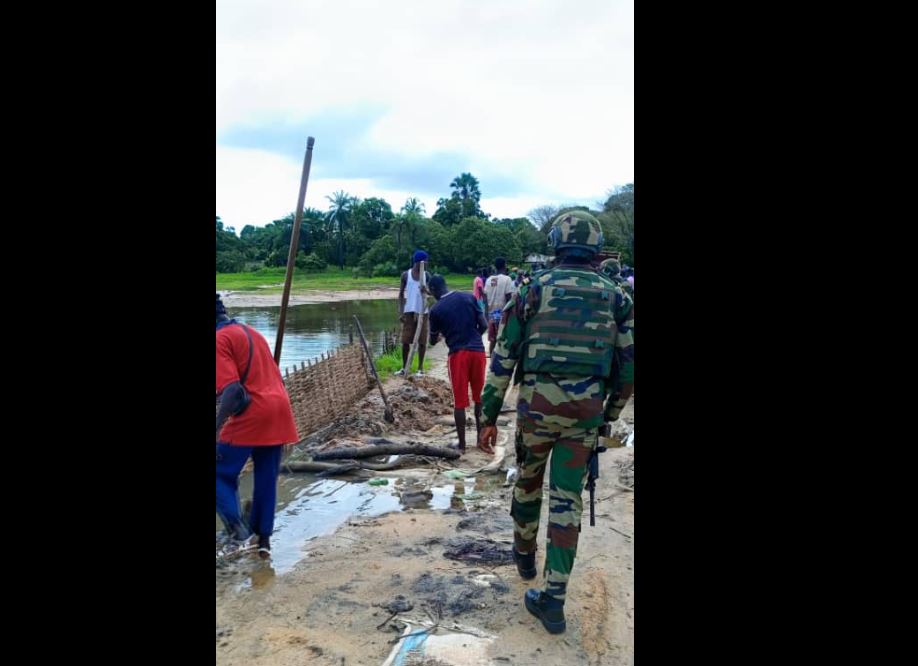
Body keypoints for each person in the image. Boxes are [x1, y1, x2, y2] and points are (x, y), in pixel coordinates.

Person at [477, 212, 634, 634]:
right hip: (584, 418)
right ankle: (554, 601)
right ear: (596, 249)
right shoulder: (616, 296)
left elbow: (503, 358)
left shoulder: (533, 290)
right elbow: (630, 368)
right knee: (568, 503)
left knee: (528, 485)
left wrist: (487, 417)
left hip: (536, 414)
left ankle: (525, 557)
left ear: (556, 245)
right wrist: (610, 415)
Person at [216, 294, 299, 558]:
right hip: (279, 410)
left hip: (254, 413)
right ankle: (263, 542)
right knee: (265, 478)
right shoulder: (251, 332)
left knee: (219, 473)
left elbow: (232, 390)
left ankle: (237, 530)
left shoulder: (218, 340)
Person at [427, 274, 488, 452]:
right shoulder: (469, 297)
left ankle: (462, 445)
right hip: (478, 351)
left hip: (458, 354)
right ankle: (480, 440)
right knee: (478, 398)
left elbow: (432, 340)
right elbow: (483, 325)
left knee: (460, 402)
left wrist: (443, 335)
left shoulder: (436, 310)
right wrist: (473, 335)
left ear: (432, 290)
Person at [396, 250, 431, 376]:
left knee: (422, 341)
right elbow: (400, 295)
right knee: (405, 341)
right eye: (426, 261)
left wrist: (425, 290)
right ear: (420, 262)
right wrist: (401, 311)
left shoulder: (427, 275)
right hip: (409, 311)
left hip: (423, 312)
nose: (427, 263)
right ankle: (405, 368)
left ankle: (420, 369)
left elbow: (431, 293)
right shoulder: (406, 275)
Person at [483, 257, 516, 357]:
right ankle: (501, 359)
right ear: (505, 265)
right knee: (503, 339)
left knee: (492, 339)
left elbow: (485, 298)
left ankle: (492, 359)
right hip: (503, 314)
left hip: (492, 314)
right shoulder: (507, 279)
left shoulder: (489, 280)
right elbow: (508, 298)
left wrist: (486, 314)